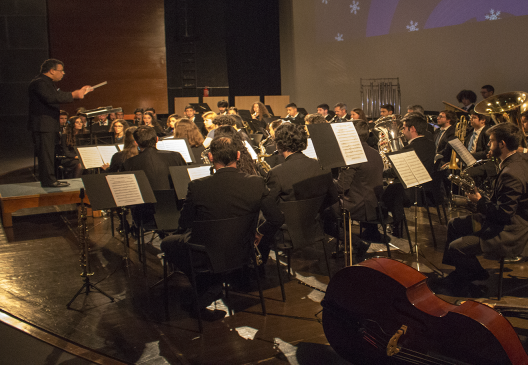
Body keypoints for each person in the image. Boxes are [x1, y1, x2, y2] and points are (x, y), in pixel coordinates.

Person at [159, 135, 284, 317]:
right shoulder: (256, 183)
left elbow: (184, 223)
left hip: (205, 254)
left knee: (167, 244)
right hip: (243, 251)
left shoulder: (197, 186)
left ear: (210, 157)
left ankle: (209, 286)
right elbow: (276, 218)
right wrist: (260, 233)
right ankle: (213, 283)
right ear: (239, 155)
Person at [440, 122, 528, 285]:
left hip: (511, 232)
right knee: (454, 224)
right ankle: (464, 273)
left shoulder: (511, 174)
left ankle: (472, 279)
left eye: (491, 141)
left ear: (502, 144)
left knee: (456, 247)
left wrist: (479, 200)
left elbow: (502, 215)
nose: (488, 144)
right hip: (520, 223)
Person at [263, 123, 337, 260]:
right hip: (315, 226)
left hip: (286, 234)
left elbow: (270, 208)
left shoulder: (276, 172)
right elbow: (332, 197)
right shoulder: (322, 166)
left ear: (279, 144)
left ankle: (259, 265)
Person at [28, 58, 94, 187]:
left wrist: (80, 92)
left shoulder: (47, 83)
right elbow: (52, 97)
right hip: (43, 125)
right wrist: (74, 94)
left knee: (49, 153)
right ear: (52, 71)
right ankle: (49, 181)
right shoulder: (39, 83)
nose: (63, 73)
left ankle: (51, 179)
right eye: (61, 70)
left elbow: (59, 95)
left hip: (47, 125)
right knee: (46, 154)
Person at [381, 113, 436, 237]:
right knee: (393, 189)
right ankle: (395, 223)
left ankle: (394, 224)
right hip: (427, 188)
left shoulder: (409, 149)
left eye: (404, 128)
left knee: (390, 191)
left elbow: (395, 172)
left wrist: (381, 171)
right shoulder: (430, 144)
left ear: (413, 129)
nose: (402, 131)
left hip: (413, 191)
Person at [333, 120, 384, 249]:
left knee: (326, 211)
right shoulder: (375, 153)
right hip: (375, 205)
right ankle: (369, 232)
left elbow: (341, 187)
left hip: (359, 206)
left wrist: (329, 182)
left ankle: (355, 242)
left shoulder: (353, 155)